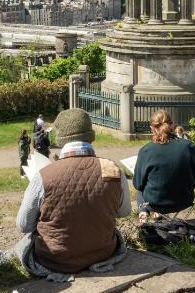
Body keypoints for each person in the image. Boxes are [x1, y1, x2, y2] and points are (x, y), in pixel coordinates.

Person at [15, 108, 131, 277]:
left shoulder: (44, 176)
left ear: (61, 138)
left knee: (22, 246)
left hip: (56, 261)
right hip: (104, 253)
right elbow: (124, 211)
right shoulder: (113, 170)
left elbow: (23, 225)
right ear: (90, 134)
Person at [133, 110, 195, 222]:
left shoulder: (145, 151)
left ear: (151, 128)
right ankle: (158, 215)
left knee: (140, 190)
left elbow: (137, 184)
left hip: (155, 203)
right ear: (172, 125)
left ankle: (144, 214)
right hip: (185, 200)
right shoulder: (188, 146)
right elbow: (194, 181)